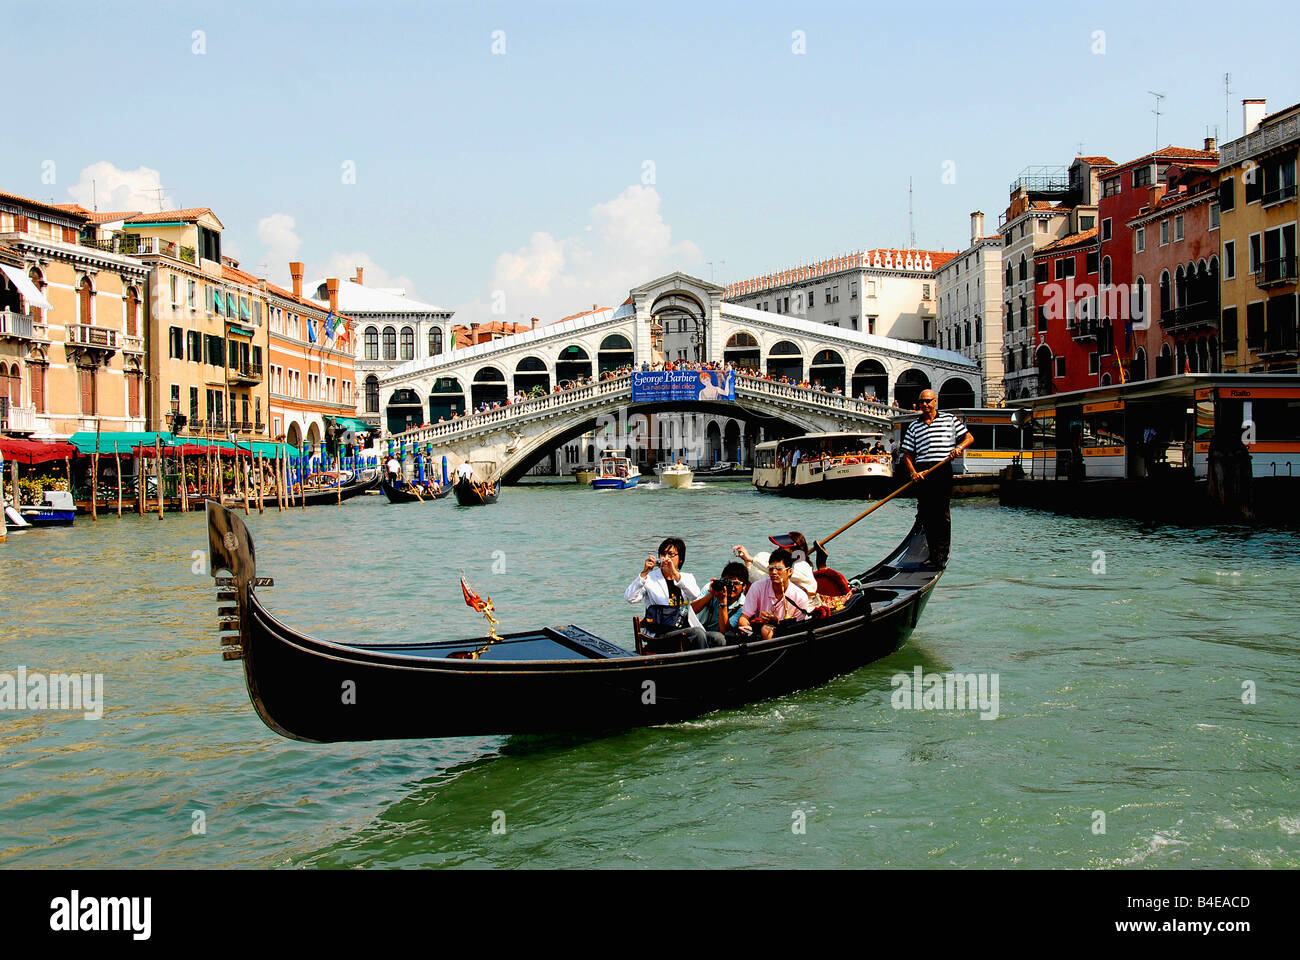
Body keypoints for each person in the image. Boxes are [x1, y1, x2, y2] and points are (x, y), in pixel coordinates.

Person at [899, 388, 974, 569]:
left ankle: (942, 555)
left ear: (935, 402)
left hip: (942, 469)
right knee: (926, 514)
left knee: (942, 514)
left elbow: (969, 437)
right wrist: (913, 473)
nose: (925, 405)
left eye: (928, 401)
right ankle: (933, 555)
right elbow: (907, 454)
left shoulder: (949, 419)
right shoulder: (914, 426)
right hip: (924, 471)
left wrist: (959, 448)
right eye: (922, 402)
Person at [626, 537, 715, 651]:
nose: (666, 558)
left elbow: (695, 594)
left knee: (717, 638)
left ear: (680, 559)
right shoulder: (649, 579)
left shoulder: (686, 577)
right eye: (663, 554)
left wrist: (674, 573)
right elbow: (630, 598)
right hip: (662, 633)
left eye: (670, 554)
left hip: (685, 629)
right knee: (697, 633)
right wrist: (644, 573)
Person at [737, 549, 812, 640]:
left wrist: (777, 623)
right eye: (771, 568)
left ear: (790, 572)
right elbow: (744, 617)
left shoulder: (800, 596)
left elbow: (798, 628)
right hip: (760, 634)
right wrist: (745, 627)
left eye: (779, 569)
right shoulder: (757, 587)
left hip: (789, 636)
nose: (774, 572)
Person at [734, 532, 819, 601]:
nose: (778, 550)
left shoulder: (802, 566)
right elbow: (759, 578)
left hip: (806, 606)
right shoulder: (779, 576)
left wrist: (752, 559)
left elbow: (779, 570)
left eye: (781, 548)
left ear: (794, 550)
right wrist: (746, 560)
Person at [690, 560, 749, 646]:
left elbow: (724, 631)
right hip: (699, 629)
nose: (731, 587)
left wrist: (722, 602)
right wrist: (711, 594)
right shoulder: (710, 588)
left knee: (718, 637)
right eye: (728, 582)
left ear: (744, 586)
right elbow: (691, 611)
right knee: (699, 633)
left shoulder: (743, 605)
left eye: (735, 583)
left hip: (718, 637)